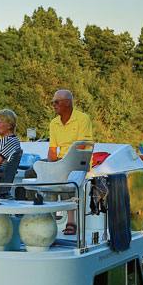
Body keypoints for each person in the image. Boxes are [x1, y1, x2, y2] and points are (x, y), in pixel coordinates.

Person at [46, 89, 93, 236]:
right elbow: (52, 149)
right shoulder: (54, 123)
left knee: (66, 173)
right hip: (61, 160)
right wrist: (50, 165)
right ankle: (46, 218)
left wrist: (61, 165)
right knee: (34, 172)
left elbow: (82, 145)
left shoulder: (83, 119)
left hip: (79, 160)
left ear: (67, 103)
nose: (53, 104)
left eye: (56, 102)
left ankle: (71, 222)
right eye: (53, 102)